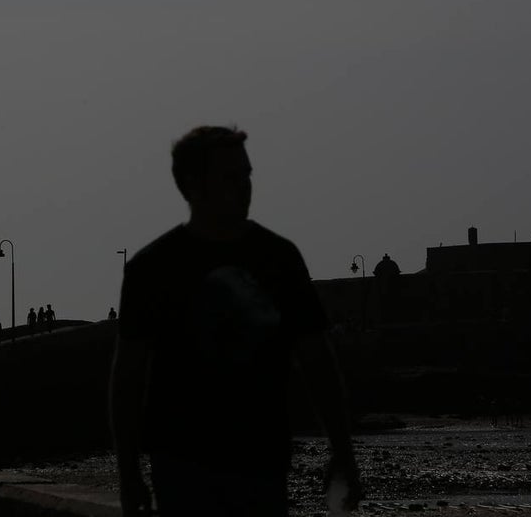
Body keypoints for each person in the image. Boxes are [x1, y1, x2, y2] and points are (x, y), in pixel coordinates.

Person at [110, 126, 362, 516]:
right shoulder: (153, 269)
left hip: (261, 462)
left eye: (247, 175)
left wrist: (343, 452)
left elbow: (318, 361)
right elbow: (127, 377)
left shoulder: (279, 259)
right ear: (193, 185)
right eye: (231, 177)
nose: (245, 187)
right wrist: (128, 474)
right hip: (182, 465)